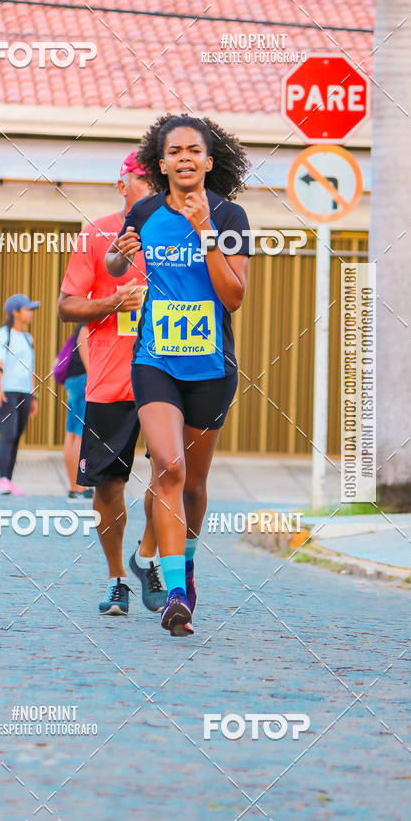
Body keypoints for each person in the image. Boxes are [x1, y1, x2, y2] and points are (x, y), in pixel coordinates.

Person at [106, 114, 250, 636]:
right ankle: (173, 594)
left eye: (195, 151)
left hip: (211, 367)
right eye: (175, 151)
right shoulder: (143, 211)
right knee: (168, 467)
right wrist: (119, 256)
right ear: (161, 163)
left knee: (195, 483)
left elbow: (233, 296)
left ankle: (185, 570)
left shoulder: (230, 216)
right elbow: (118, 266)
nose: (185, 158)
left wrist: (204, 231)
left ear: (208, 162)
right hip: (155, 360)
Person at [57, 151, 167, 616]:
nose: (151, 187)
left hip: (167, 373)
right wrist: (113, 303)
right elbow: (66, 305)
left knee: (171, 474)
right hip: (110, 382)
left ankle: (147, 559)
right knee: (107, 487)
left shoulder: (180, 234)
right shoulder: (95, 233)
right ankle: (117, 579)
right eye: (142, 179)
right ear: (122, 184)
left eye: (155, 180)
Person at [0, 293, 40, 495]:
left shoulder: (28, 338)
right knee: (8, 434)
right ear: (15, 312)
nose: (30, 314)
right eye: (27, 309)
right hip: (6, 391)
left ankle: (9, 481)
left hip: (24, 392)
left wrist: (34, 396)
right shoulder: (4, 334)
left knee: (17, 435)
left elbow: (30, 369)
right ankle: (2, 479)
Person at [62, 323, 93, 500]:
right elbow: (84, 341)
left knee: (72, 433)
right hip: (84, 379)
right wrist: (93, 376)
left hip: (74, 379)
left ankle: (74, 486)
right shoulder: (87, 322)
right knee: (80, 434)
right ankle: (79, 487)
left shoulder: (83, 319)